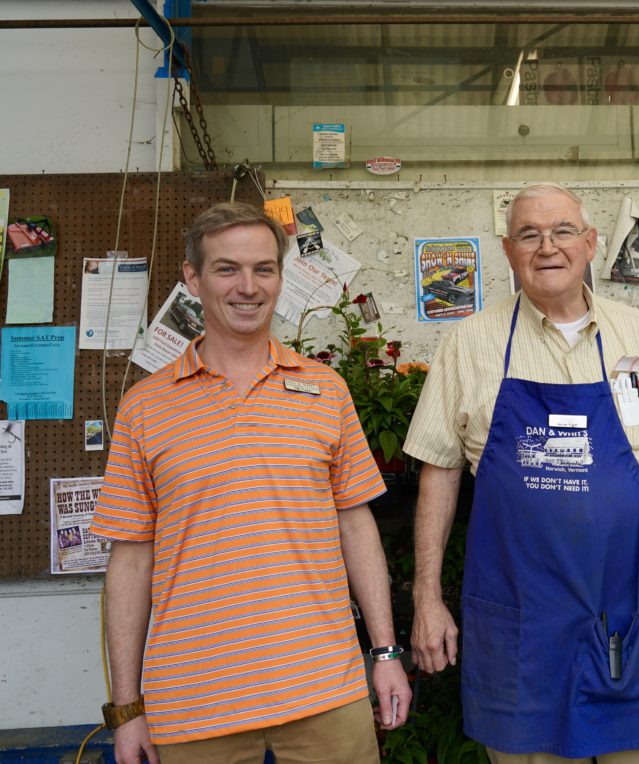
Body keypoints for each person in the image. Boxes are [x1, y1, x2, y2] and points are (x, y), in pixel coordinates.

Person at [91, 202, 411, 764]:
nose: (248, 286)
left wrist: (385, 653)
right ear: (192, 277)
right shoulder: (144, 409)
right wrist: (126, 708)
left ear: (280, 279)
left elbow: (355, 525)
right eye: (227, 269)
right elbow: (130, 561)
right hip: (193, 706)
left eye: (263, 269)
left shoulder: (326, 390)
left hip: (325, 692)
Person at [404, 183, 639, 763]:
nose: (547, 247)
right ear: (508, 250)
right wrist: (426, 597)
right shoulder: (468, 343)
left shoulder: (638, 335)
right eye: (529, 234)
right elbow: (438, 471)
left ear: (590, 243)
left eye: (563, 231)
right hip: (524, 619)